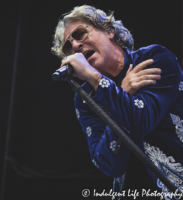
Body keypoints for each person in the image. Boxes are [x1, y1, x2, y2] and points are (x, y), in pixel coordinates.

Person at [51, 5, 183, 197]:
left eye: (80, 34)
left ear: (109, 31)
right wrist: (122, 91)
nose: (75, 46)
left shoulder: (154, 58)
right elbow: (109, 165)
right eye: (68, 47)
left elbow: (141, 122)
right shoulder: (85, 99)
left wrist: (96, 79)